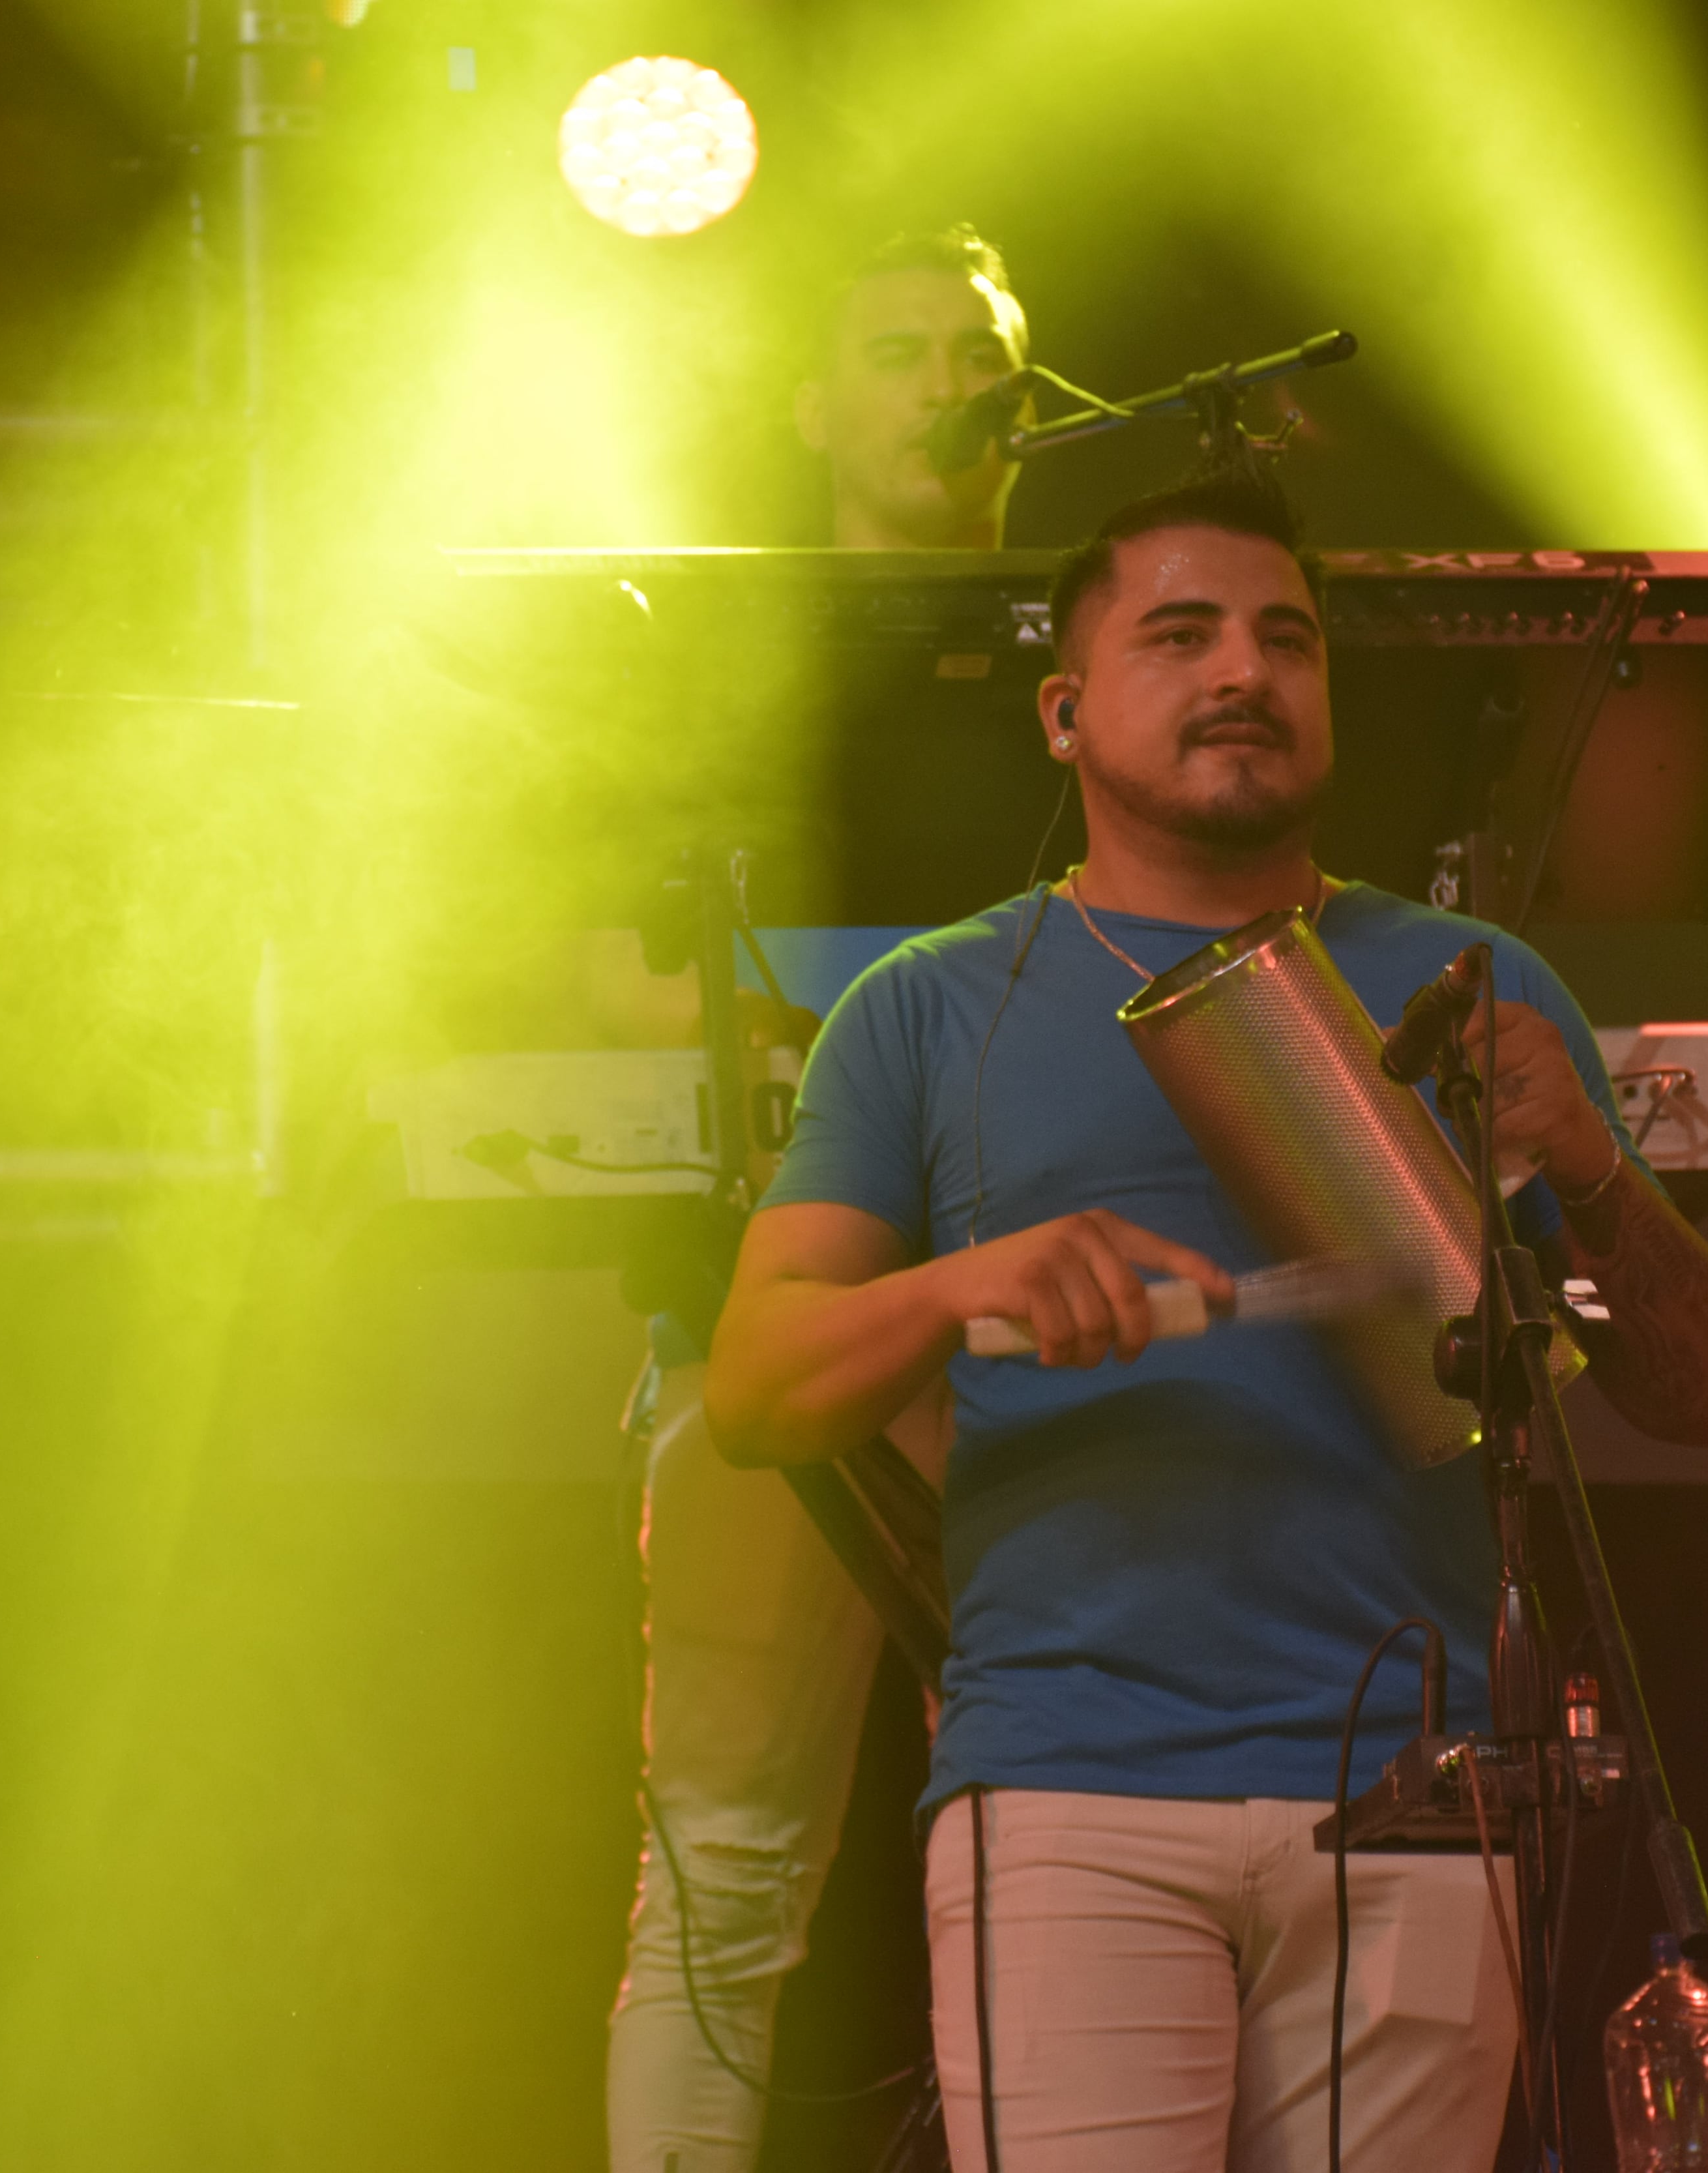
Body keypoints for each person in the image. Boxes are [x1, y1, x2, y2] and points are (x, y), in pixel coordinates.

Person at [699, 464, 1708, 2171]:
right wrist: (963, 1283)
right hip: (1071, 1796)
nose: (1243, 672)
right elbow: (756, 1389)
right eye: (1179, 636)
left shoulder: (1471, 979)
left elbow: (1699, 1389)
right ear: (1064, 709)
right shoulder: (925, 1009)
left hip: (1424, 1804)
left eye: (1285, 639)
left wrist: (1591, 1170)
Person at [604, 226, 1031, 2173]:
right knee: (726, 1853)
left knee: (1066, 1841)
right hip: (773, 1292)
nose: (944, 379)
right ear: (812, 403)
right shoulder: (703, 653)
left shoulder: (1089, 675)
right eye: (896, 348)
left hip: (1043, 1313)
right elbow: (573, 966)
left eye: (977, 349)